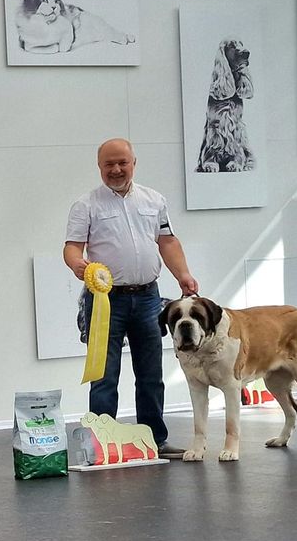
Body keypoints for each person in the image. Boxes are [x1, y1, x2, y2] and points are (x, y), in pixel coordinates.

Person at [63, 138, 198, 459]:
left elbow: (167, 242)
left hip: (150, 298)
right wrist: (76, 264)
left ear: (134, 162)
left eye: (122, 162)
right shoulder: (86, 205)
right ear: (100, 167)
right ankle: (100, 444)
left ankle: (155, 440)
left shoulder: (154, 200)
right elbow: (71, 246)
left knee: (151, 373)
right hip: (106, 299)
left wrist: (183, 274)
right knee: (103, 374)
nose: (116, 169)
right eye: (109, 164)